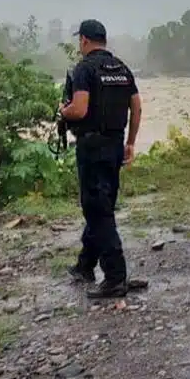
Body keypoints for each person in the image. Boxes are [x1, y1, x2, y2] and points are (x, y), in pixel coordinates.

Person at [59, 19, 141, 299]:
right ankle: (85, 266)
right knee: (102, 205)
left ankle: (116, 277)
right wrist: (130, 142)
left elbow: (79, 110)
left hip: (93, 146)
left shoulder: (84, 69)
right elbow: (137, 106)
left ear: (84, 40)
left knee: (97, 210)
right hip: (116, 144)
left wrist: (63, 110)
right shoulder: (121, 68)